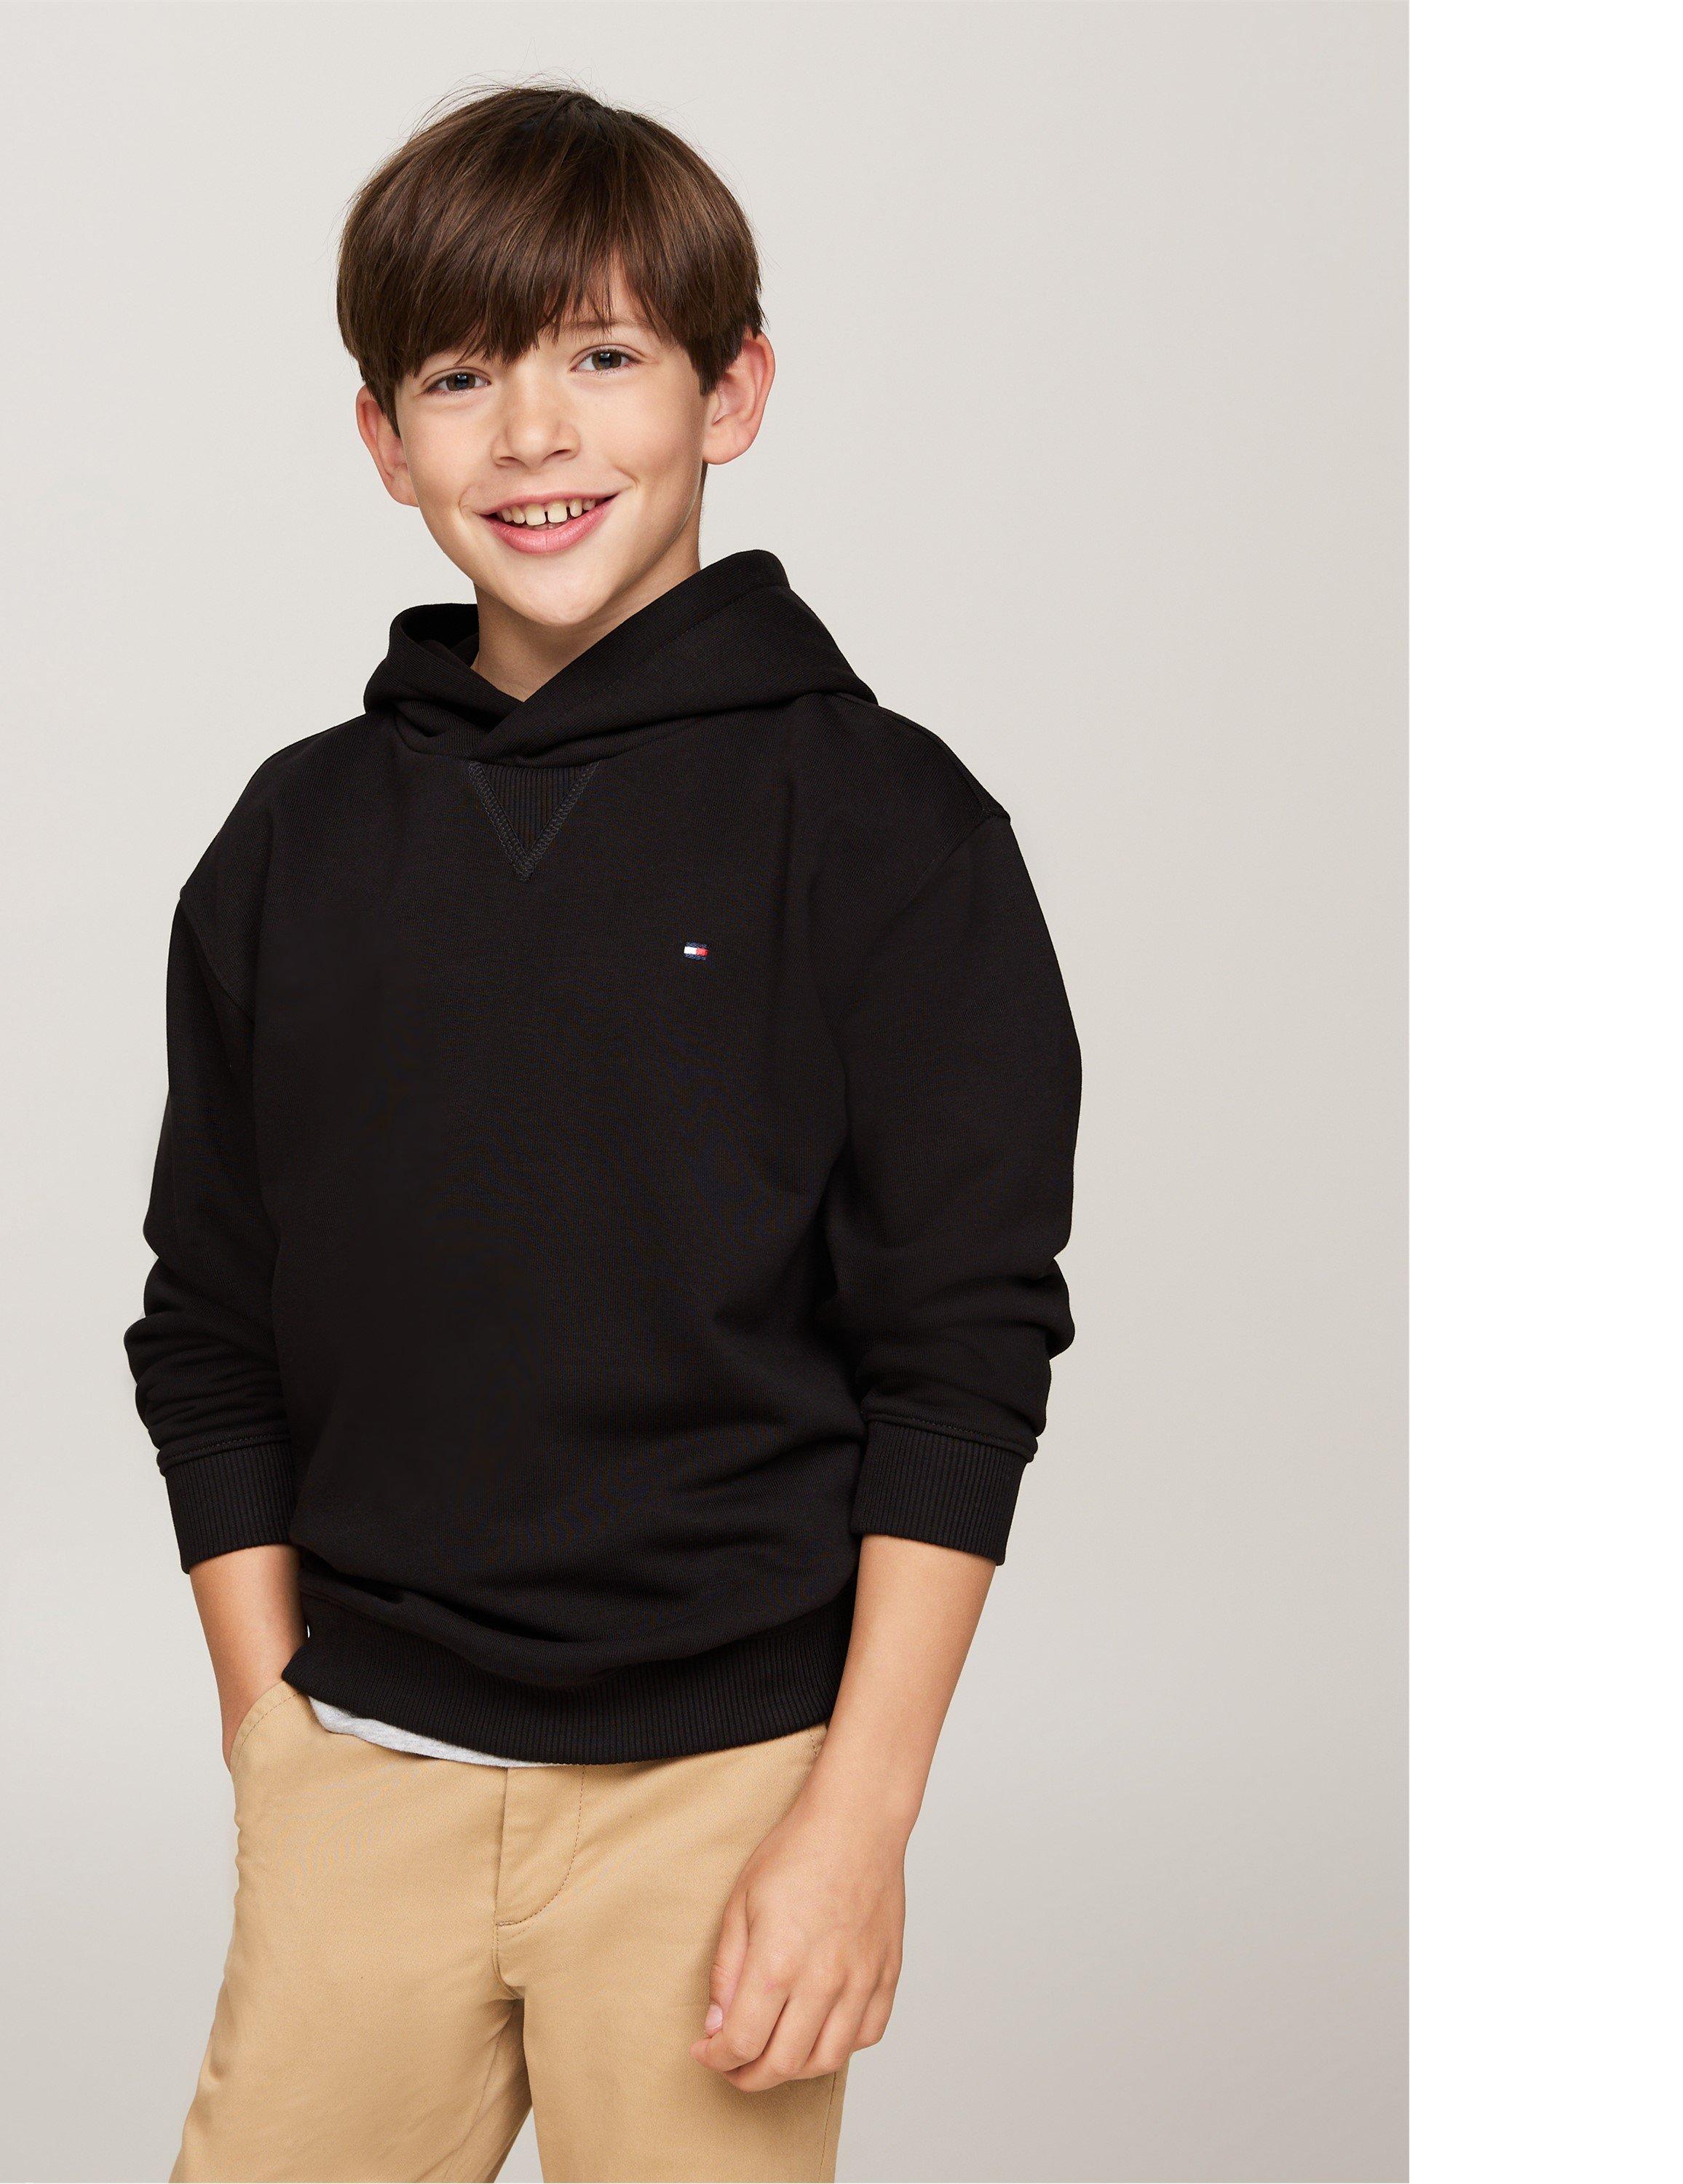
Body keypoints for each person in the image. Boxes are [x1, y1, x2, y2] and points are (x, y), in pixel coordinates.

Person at [124, 81, 1080, 2184]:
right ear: (383, 438)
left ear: (734, 392)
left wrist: (858, 1819)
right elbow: (210, 1321)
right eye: (462, 377)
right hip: (360, 1768)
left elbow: (962, 1354)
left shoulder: (889, 829)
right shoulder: (295, 841)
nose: (534, 434)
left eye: (606, 355)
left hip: (727, 1793)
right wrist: (271, 1731)